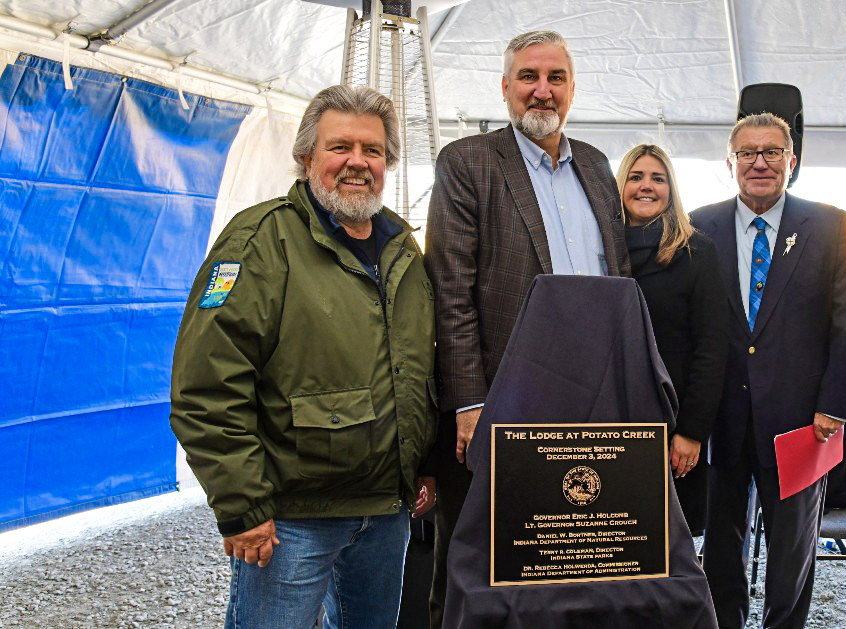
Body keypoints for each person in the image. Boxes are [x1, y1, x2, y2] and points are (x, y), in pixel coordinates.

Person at [170, 85, 437, 629]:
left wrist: (423, 464)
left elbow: (417, 370)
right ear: (306, 156)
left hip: (386, 514)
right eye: (340, 147)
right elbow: (206, 388)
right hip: (292, 519)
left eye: (374, 151)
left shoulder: (402, 249)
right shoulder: (259, 241)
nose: (358, 163)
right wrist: (244, 506)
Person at [423, 30, 629, 628]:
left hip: (591, 405)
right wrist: (468, 403)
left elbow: (617, 281)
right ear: (506, 87)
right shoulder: (468, 162)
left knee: (571, 564)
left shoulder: (594, 164)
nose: (543, 91)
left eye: (555, 78)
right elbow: (451, 292)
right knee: (475, 572)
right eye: (529, 78)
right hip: (502, 403)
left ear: (571, 88)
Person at [691, 113, 846, 628]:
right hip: (721, 422)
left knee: (792, 550)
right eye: (748, 153)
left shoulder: (831, 224)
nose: (760, 163)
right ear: (731, 163)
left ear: (792, 162)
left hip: (802, 424)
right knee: (722, 546)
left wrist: (834, 407)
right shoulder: (701, 225)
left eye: (772, 152)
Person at [618, 144, 728, 536]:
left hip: (672, 424)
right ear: (621, 185)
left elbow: (712, 349)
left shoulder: (696, 251)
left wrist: (692, 431)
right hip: (609, 419)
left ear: (671, 189)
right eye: (636, 177)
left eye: (657, 178)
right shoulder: (600, 251)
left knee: (668, 545)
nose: (646, 187)